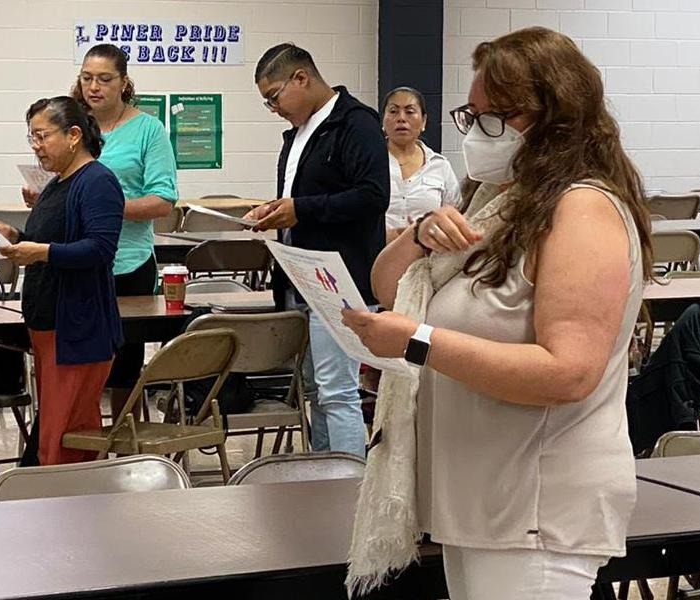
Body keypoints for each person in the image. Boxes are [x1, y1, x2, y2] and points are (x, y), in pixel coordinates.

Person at [341, 27, 653, 599]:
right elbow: (392, 288)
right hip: (480, 498)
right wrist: (417, 236)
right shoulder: (492, 197)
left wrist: (418, 341)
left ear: (553, 118)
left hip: (536, 507)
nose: (478, 132)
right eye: (473, 114)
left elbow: (570, 371)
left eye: (495, 117)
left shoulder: (582, 210)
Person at [245, 43, 388, 457]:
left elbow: (372, 196)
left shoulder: (356, 124)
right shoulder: (300, 132)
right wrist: (276, 210)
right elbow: (300, 199)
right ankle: (323, 472)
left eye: (274, 97)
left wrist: (299, 210)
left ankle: (346, 488)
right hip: (300, 275)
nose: (274, 108)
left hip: (340, 280)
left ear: (302, 78)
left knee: (337, 391)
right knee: (313, 389)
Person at [0, 96, 124, 465]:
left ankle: (67, 513)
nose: (36, 147)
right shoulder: (57, 183)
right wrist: (14, 237)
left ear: (73, 136)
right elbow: (55, 239)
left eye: (42, 136)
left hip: (77, 330)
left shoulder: (97, 181)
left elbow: (99, 250)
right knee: (58, 433)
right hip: (48, 325)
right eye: (31, 138)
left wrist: (41, 252)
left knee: (62, 440)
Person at [54, 43, 179, 418]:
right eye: (87, 78)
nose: (94, 86)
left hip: (127, 264)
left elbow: (163, 200)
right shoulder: (72, 127)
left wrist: (107, 209)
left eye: (105, 79)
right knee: (78, 363)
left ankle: (126, 442)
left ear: (124, 83)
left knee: (124, 367)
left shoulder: (147, 130)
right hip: (76, 259)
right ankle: (81, 442)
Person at [381, 86, 461, 242]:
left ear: (423, 121)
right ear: (383, 120)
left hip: (426, 259)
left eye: (410, 112)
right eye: (393, 111)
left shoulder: (440, 166)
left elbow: (456, 215)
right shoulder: (369, 162)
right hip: (375, 257)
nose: (401, 118)